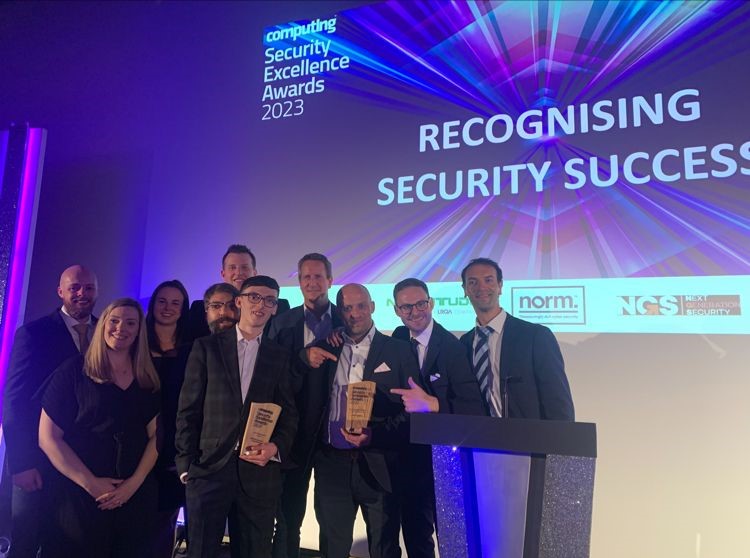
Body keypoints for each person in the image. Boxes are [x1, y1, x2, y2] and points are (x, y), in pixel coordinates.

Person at [175, 276, 298, 558]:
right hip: (208, 471)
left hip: (259, 474)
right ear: (239, 301)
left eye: (269, 300)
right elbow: (188, 410)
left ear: (275, 308)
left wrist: (276, 447)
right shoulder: (206, 347)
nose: (261, 305)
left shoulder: (279, 355)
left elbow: (289, 414)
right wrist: (186, 466)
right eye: (254, 297)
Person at [38, 298, 161, 558]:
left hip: (133, 497)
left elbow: (157, 437)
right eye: (114, 321)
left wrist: (133, 484)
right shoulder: (73, 371)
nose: (121, 328)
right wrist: (91, 484)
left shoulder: (147, 377)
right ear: (103, 324)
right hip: (78, 496)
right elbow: (48, 438)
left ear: (139, 331)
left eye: (131, 323)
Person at [305, 284, 418, 558]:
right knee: (332, 547)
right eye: (347, 308)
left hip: (379, 462)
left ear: (372, 307)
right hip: (332, 464)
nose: (354, 314)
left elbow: (412, 409)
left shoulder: (399, 350)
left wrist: (375, 435)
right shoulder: (325, 349)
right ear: (339, 312)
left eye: (361, 306)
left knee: (384, 547)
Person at [2, 264, 98, 558]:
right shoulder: (33, 333)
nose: (82, 293)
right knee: (26, 541)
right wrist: (21, 463)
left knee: (66, 543)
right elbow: (14, 401)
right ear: (60, 292)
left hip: (83, 460)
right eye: (74, 288)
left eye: (89, 288)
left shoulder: (107, 332)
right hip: (36, 460)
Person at [389, 278, 485, 558]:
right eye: (406, 307)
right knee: (416, 538)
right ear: (396, 310)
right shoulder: (397, 339)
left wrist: (433, 403)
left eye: (421, 304)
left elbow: (474, 408)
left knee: (453, 541)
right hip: (408, 458)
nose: (415, 312)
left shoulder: (454, 348)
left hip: (447, 459)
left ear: (431, 303)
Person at [267, 253, 343, 558]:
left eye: (318, 276)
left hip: (334, 437)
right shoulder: (281, 323)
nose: (312, 282)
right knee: (288, 518)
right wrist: (302, 358)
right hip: (293, 435)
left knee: (333, 520)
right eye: (306, 277)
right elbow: (269, 375)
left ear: (330, 280)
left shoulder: (347, 320)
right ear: (299, 282)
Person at [459, 258, 574, 420]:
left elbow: (557, 400)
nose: (481, 287)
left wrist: (561, 434)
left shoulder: (535, 336)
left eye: (488, 280)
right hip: (479, 433)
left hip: (527, 434)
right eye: (473, 282)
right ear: (465, 290)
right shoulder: (464, 344)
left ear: (500, 286)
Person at [146, 280, 193, 557]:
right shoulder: (135, 341)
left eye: (176, 303)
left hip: (175, 443)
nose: (168, 307)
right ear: (153, 304)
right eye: (162, 301)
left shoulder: (192, 348)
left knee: (165, 523)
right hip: (137, 439)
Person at [188, 245, 289, 338]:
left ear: (254, 273)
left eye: (244, 267)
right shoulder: (199, 309)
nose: (239, 272)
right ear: (223, 274)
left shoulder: (279, 307)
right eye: (232, 267)